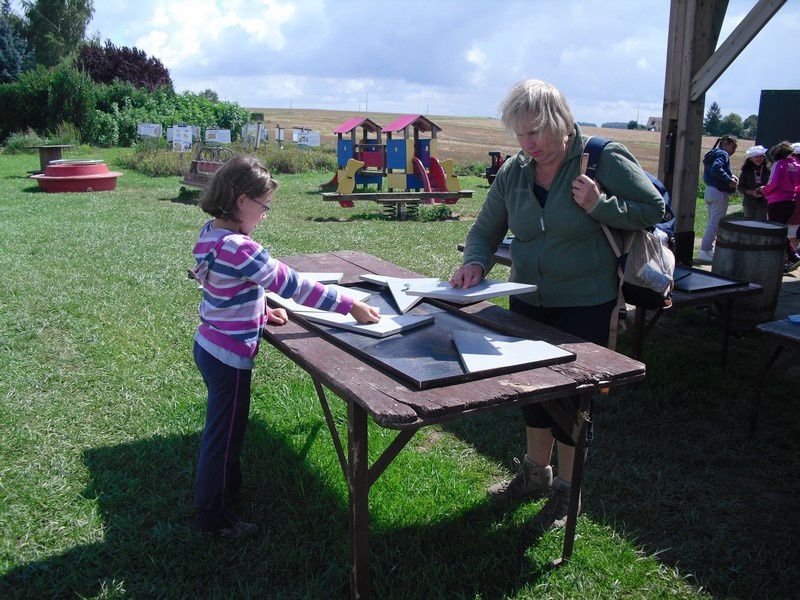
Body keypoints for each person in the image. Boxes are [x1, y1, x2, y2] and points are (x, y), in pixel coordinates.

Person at [451, 79, 663, 530]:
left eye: (536, 133)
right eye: (520, 136)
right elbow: (487, 228)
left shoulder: (602, 158)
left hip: (586, 303)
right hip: (528, 301)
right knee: (530, 390)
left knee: (574, 398)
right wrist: (474, 262)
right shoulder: (515, 171)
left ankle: (569, 489)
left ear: (561, 123)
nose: (528, 145)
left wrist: (601, 204)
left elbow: (654, 208)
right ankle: (534, 475)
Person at [190, 155, 381, 539]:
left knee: (227, 430)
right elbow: (292, 284)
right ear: (242, 201)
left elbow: (227, 292)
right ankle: (215, 516)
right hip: (229, 357)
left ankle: (227, 493)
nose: (264, 215)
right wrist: (350, 305)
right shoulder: (242, 248)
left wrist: (261, 313)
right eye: (263, 206)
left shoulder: (210, 235)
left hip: (209, 344)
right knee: (224, 437)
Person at [760, 140, 800, 271]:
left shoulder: (779, 164)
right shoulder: (796, 164)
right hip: (791, 201)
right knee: (783, 230)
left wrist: (764, 189)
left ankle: (789, 256)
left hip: (777, 201)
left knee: (776, 231)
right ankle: (789, 256)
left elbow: (774, 181)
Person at [698, 135, 738, 262]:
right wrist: (729, 179)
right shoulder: (723, 154)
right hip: (719, 192)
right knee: (715, 224)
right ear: (726, 144)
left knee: (711, 223)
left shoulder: (713, 153)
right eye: (734, 147)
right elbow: (717, 168)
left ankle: (708, 250)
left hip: (709, 191)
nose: (734, 151)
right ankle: (704, 250)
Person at [737, 145, 770, 221]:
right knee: (748, 225)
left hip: (764, 203)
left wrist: (765, 189)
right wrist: (751, 192)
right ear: (751, 158)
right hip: (749, 203)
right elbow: (740, 187)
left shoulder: (769, 170)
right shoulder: (746, 170)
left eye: (761, 156)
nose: (759, 159)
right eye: (756, 157)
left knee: (761, 225)